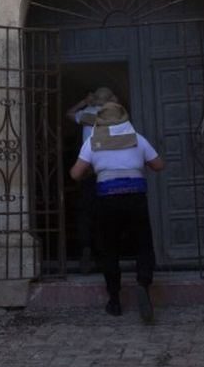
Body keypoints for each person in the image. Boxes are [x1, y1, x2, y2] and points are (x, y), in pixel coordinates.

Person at [68, 99, 164, 322]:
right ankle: (143, 283)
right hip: (135, 197)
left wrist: (96, 166)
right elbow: (159, 165)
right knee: (142, 244)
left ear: (100, 119)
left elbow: (75, 173)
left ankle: (114, 300)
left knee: (109, 249)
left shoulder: (93, 142)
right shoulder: (137, 139)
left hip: (107, 199)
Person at [63, 87, 118, 266]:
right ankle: (105, 253)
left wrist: (85, 102)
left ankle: (86, 247)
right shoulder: (117, 117)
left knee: (86, 212)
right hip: (110, 171)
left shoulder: (87, 115)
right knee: (107, 212)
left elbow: (69, 113)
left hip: (88, 170)